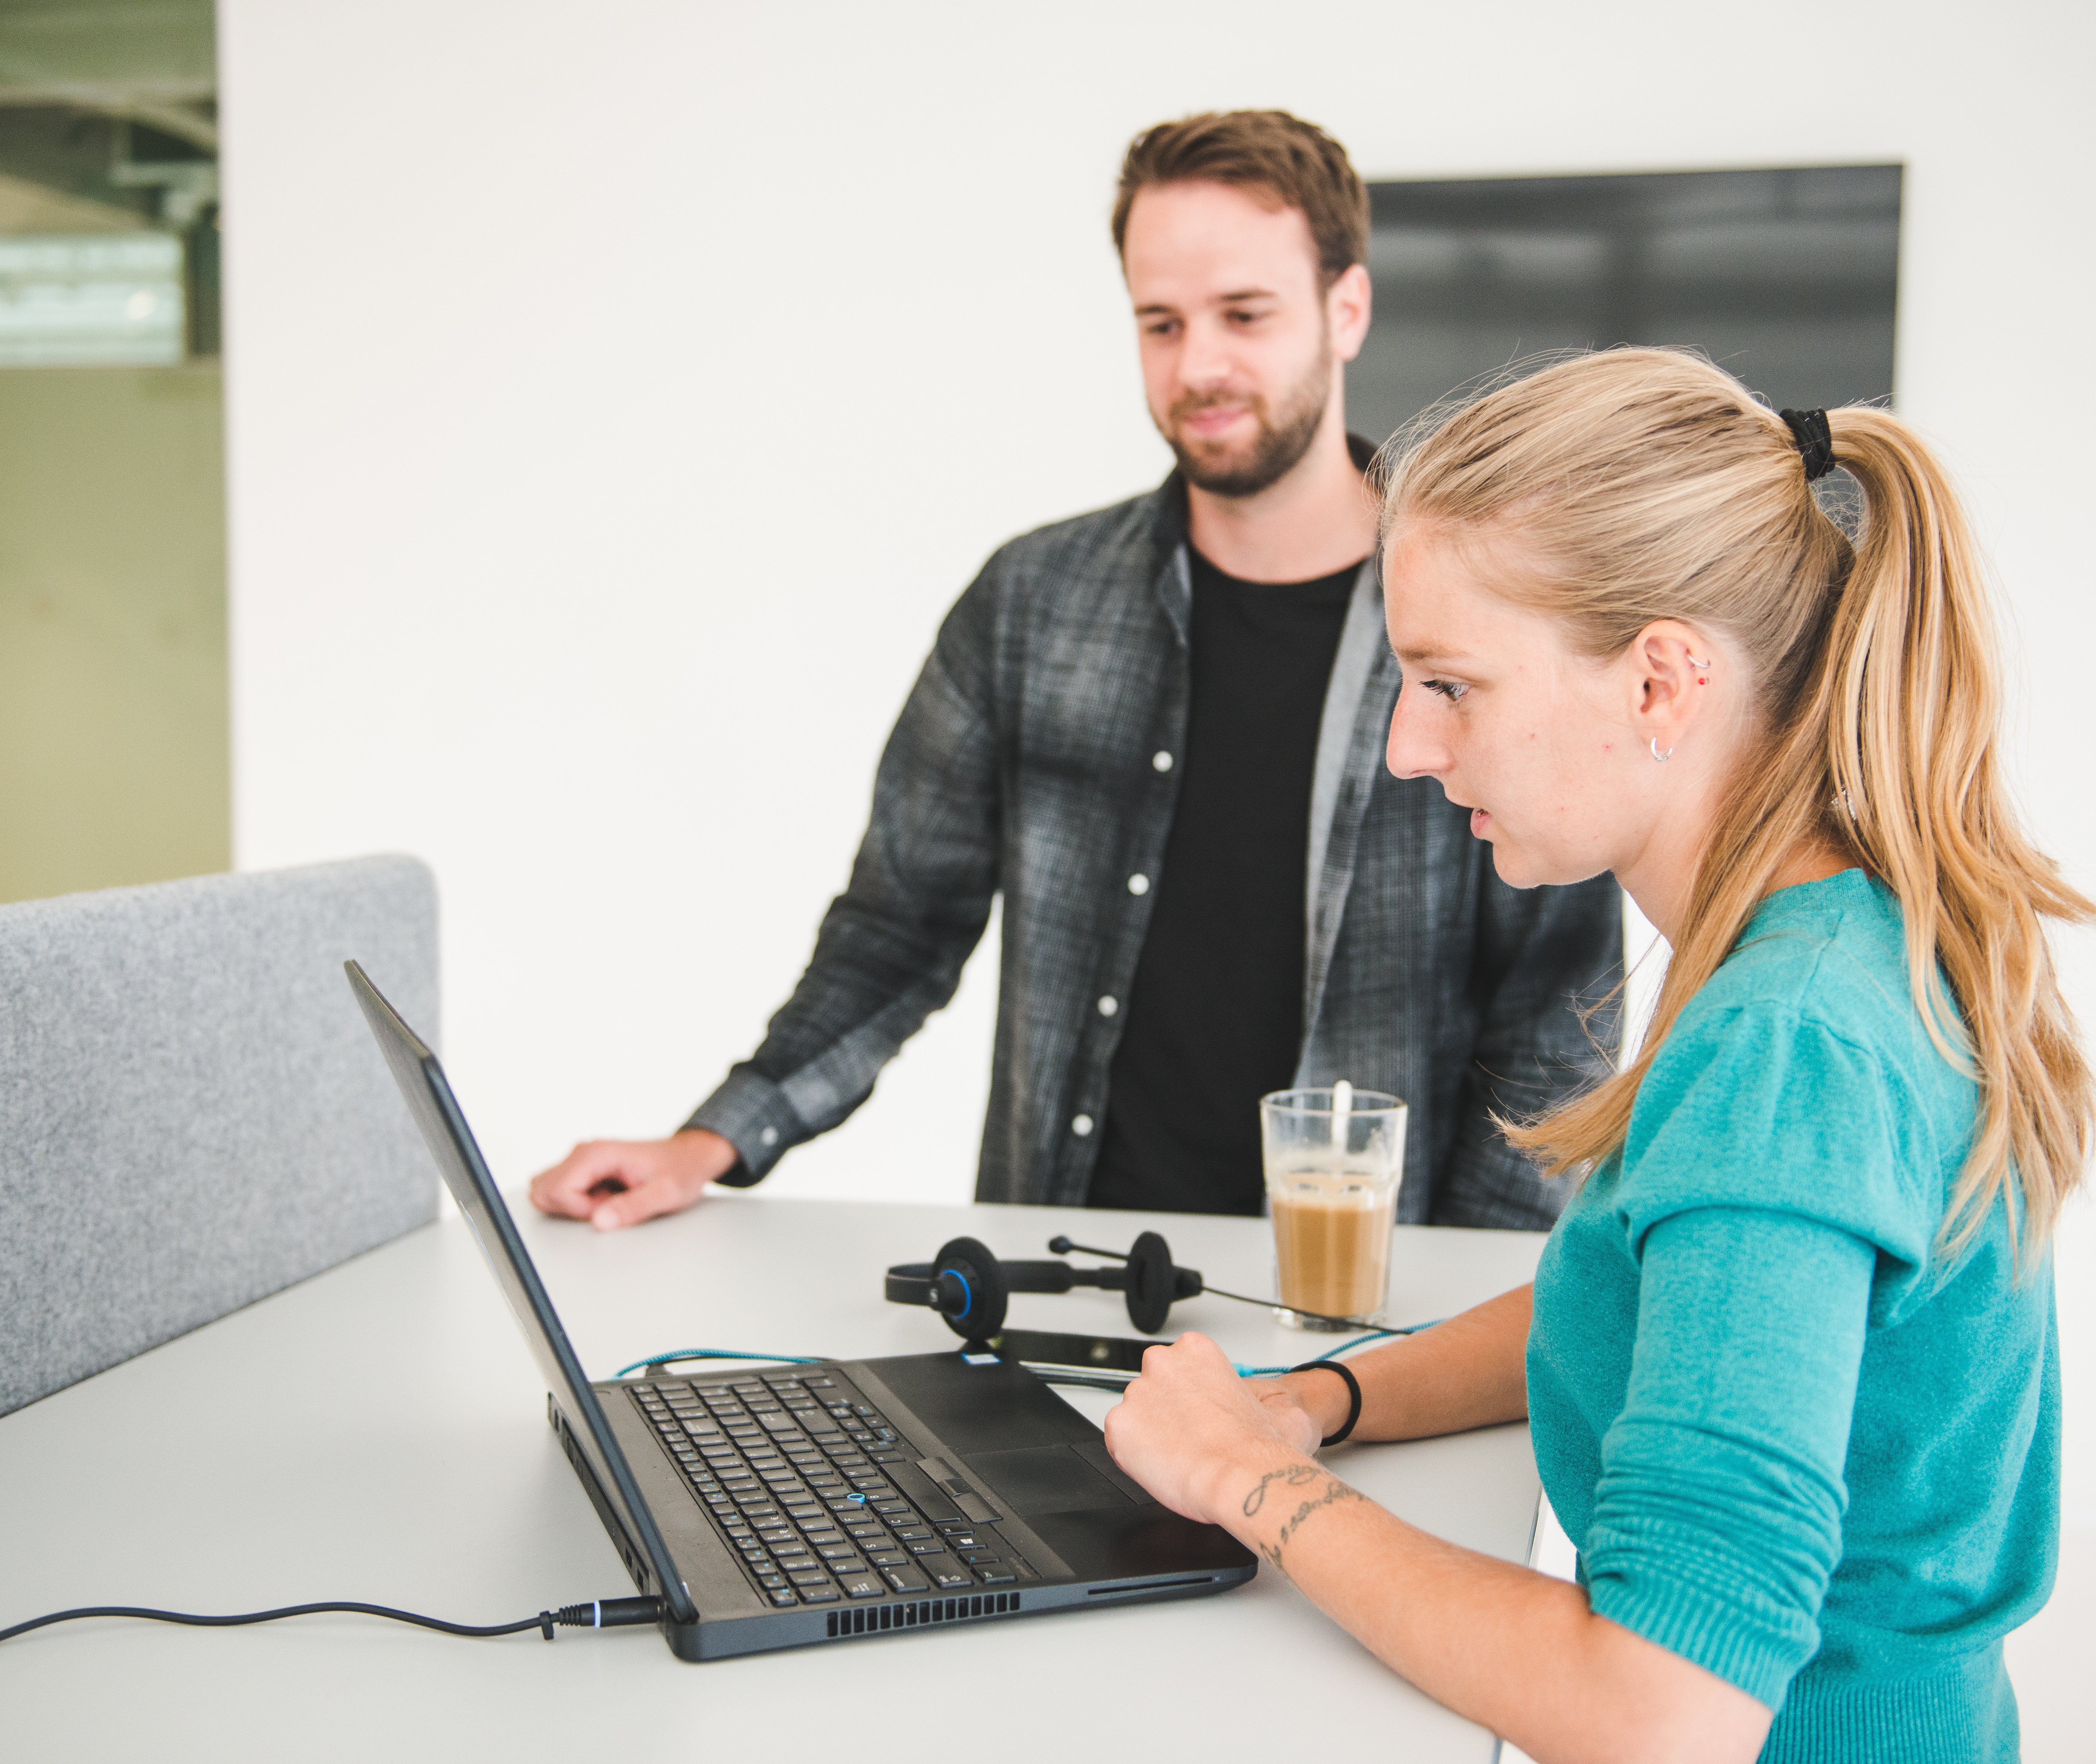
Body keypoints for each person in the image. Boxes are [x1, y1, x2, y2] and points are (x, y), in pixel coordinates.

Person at [1101, 348, 2096, 1761]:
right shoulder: (1837, 939)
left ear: (1657, 682)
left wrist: (1238, 1485)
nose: (1405, 748)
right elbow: (1655, 1298)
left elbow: (1658, 1709)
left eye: (1450, 685)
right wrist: (1317, 1402)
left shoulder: (1782, 1049)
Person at [530, 112, 1619, 1234]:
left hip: (1354, 1316)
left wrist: (1464, 1302)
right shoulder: (1030, 602)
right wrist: (710, 1139)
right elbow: (898, 924)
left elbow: (1554, 1011)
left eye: (1244, 314)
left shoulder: (1483, 627)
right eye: (1161, 322)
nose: (1198, 365)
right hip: (1058, 1281)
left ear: (1346, 310)